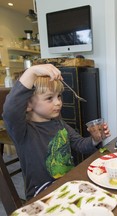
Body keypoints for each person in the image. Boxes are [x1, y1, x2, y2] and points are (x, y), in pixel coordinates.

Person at [2, 64, 111, 200]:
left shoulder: (59, 123)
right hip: (42, 194)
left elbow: (80, 144)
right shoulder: (22, 131)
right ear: (28, 104)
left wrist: (95, 139)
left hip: (68, 185)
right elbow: (10, 110)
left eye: (59, 96)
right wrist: (31, 72)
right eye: (49, 98)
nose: (58, 102)